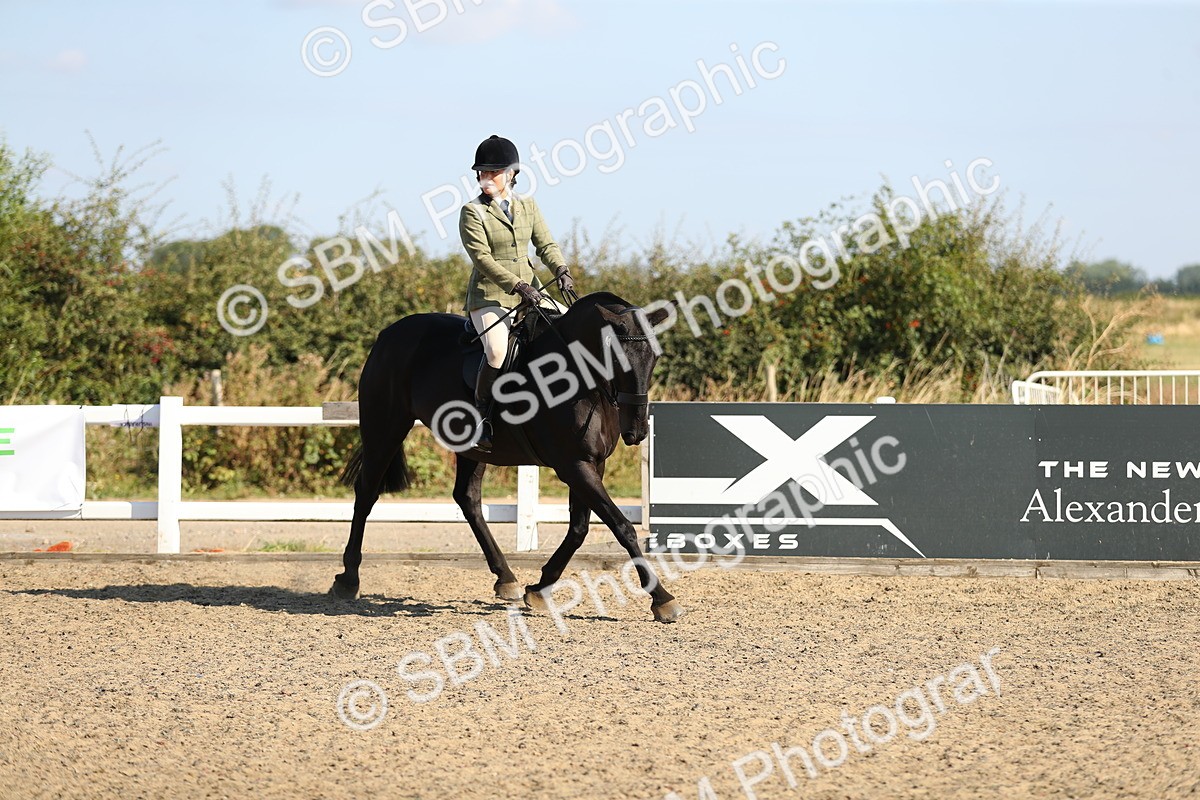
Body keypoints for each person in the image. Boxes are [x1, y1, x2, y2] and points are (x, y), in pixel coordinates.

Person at [459, 134, 575, 452]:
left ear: (511, 173)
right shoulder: (472, 212)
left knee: (566, 329)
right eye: (481, 173)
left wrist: (561, 270)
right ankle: (481, 418)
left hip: (532, 292)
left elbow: (545, 244)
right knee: (496, 351)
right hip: (490, 296)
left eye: (492, 172)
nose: (486, 178)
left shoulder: (528, 205)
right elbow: (481, 259)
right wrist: (517, 285)